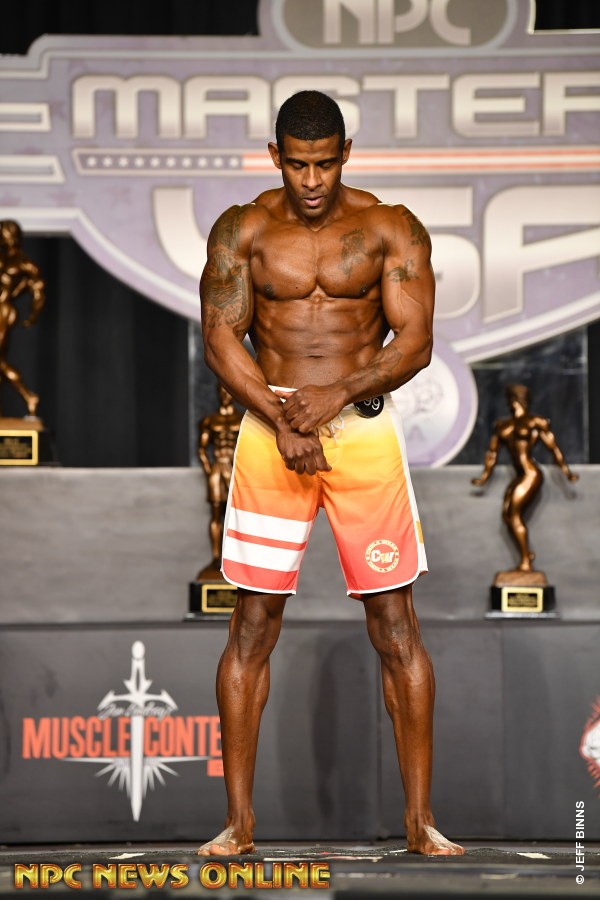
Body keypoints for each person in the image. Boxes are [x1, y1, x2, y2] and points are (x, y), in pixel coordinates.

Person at [198, 91, 463, 857]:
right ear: (274, 157)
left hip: (361, 428)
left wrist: (335, 394)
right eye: (297, 164)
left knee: (395, 622)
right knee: (252, 623)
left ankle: (420, 823)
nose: (311, 180)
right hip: (270, 426)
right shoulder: (244, 229)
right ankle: (239, 825)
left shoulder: (389, 228)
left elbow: (414, 340)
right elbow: (220, 337)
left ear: (346, 153)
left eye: (324, 163)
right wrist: (284, 417)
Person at [472, 383, 578, 573]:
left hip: (531, 473)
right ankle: (526, 555)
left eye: (517, 397)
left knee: (513, 515)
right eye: (512, 398)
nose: (514, 401)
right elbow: (492, 454)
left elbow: (553, 448)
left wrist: (566, 472)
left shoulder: (535, 422)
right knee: (507, 515)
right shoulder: (503, 426)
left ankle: (525, 562)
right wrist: (484, 477)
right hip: (521, 475)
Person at [0, 220, 45, 417]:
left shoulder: (22, 262)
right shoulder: (4, 259)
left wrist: (33, 315)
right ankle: (27, 397)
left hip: (3, 310)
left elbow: (38, 289)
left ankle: (28, 396)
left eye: (4, 233)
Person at [197, 383, 243, 571]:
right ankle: (216, 557)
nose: (225, 396)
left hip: (236, 468)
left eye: (228, 392)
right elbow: (201, 449)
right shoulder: (210, 420)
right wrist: (209, 470)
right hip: (218, 466)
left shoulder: (242, 419)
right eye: (222, 392)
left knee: (237, 513)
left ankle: (235, 560)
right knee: (216, 513)